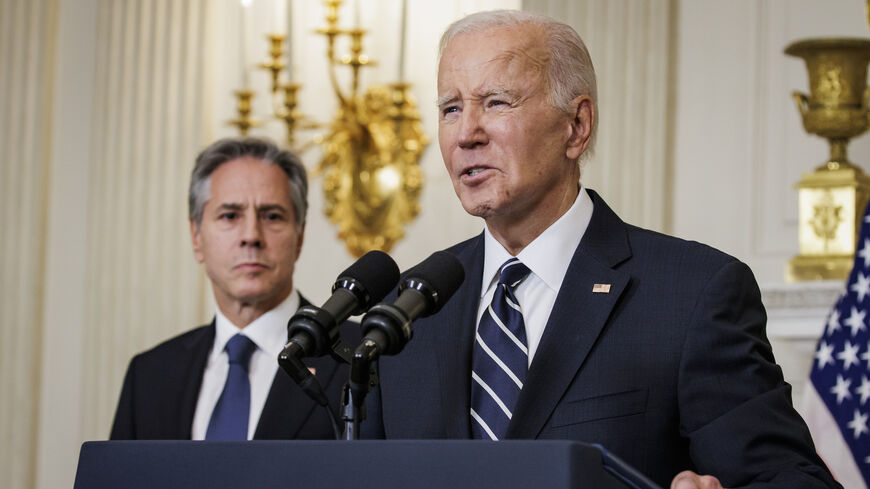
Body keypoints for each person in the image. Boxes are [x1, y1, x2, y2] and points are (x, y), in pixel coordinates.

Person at [364, 10, 841, 489]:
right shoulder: (407, 311)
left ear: (577, 125)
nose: (466, 133)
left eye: (495, 103)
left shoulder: (692, 295)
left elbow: (794, 480)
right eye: (450, 108)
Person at [111, 137, 349, 440]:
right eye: (230, 216)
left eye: (272, 216)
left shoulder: (357, 360)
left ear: (299, 238)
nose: (251, 235)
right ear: (196, 236)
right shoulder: (149, 375)